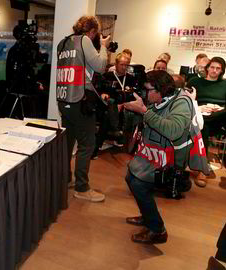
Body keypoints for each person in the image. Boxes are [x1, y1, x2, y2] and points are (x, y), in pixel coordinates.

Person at [122, 70, 194, 244]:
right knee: (131, 177)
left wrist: (144, 111)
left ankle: (157, 230)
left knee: (139, 184)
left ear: (161, 89)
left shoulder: (182, 102)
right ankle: (147, 216)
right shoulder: (160, 98)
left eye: (149, 90)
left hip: (167, 159)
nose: (145, 93)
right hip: (152, 153)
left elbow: (174, 131)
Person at [56, 15, 110, 202]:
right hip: (80, 99)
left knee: (68, 142)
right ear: (93, 31)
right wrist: (103, 46)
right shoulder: (85, 40)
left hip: (64, 99)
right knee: (87, 144)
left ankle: (65, 179)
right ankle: (82, 187)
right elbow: (101, 66)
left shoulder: (62, 43)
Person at [187, 56, 226, 187]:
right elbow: (185, 100)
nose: (214, 70)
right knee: (203, 127)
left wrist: (220, 110)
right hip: (199, 117)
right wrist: (199, 108)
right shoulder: (195, 81)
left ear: (222, 71)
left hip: (219, 119)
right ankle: (203, 169)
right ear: (207, 68)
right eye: (212, 67)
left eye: (218, 68)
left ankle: (202, 168)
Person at [92, 52, 136, 159]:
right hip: (107, 105)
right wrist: (102, 94)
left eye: (127, 65)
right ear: (116, 64)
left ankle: (95, 149)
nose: (124, 67)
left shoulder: (131, 78)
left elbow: (134, 96)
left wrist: (123, 104)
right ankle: (116, 130)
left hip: (125, 107)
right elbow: (98, 90)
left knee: (108, 116)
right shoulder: (107, 76)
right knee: (110, 106)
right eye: (122, 64)